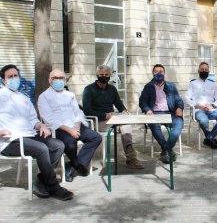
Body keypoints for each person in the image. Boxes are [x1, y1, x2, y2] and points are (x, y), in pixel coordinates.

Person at [0, 64, 73, 200]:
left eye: (16, 76)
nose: (14, 79)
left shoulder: (24, 98)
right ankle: (54, 187)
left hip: (29, 135)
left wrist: (41, 126)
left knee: (58, 145)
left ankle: (41, 181)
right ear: (4, 80)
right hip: (10, 140)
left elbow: (33, 119)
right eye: (10, 77)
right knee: (41, 149)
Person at [38, 69, 102, 182]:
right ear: (49, 80)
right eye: (55, 78)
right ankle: (76, 164)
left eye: (61, 78)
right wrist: (69, 130)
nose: (58, 81)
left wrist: (77, 126)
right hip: (58, 129)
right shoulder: (44, 97)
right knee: (71, 143)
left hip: (75, 126)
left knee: (95, 137)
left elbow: (78, 112)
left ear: (65, 80)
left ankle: (72, 166)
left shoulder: (70, 95)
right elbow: (49, 119)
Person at [82, 65, 144, 169]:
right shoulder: (88, 89)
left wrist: (124, 111)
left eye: (107, 75)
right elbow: (87, 111)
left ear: (110, 76)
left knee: (126, 126)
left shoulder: (112, 89)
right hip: (98, 121)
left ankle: (131, 158)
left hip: (113, 118)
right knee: (122, 124)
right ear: (97, 75)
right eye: (101, 75)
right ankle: (131, 158)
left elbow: (119, 104)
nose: (104, 76)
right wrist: (104, 115)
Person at [139, 64, 184, 164]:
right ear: (153, 73)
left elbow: (178, 100)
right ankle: (168, 151)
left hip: (170, 112)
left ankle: (165, 150)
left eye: (161, 71)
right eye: (156, 71)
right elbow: (142, 101)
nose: (159, 73)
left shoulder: (171, 86)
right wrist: (147, 109)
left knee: (178, 125)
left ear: (164, 73)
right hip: (154, 114)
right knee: (154, 126)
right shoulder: (148, 86)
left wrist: (180, 108)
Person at [185, 62, 217, 149]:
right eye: (202, 69)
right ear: (198, 71)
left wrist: (213, 106)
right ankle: (210, 138)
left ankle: (209, 138)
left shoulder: (212, 84)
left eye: (206, 70)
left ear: (209, 71)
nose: (204, 71)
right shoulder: (192, 83)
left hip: (211, 110)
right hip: (198, 110)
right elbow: (186, 98)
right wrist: (197, 105)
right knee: (204, 121)